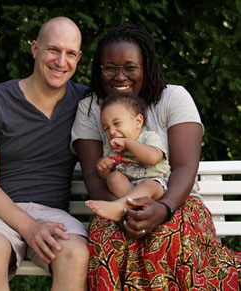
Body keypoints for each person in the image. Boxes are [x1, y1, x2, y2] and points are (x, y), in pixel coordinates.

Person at [71, 24, 241, 290]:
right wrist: (126, 212)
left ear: (146, 66)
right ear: (98, 69)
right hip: (114, 204)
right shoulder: (91, 107)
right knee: (109, 245)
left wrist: (163, 209)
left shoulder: (174, 98)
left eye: (130, 67)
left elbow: (184, 166)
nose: (120, 76)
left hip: (175, 202)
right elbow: (94, 174)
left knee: (167, 237)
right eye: (110, 68)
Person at [0, 17, 89, 291]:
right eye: (53, 50)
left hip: (54, 215)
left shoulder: (86, 103)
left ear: (78, 57)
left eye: (70, 54)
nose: (61, 61)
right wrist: (29, 227)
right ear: (34, 49)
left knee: (76, 255)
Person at [85, 92, 170, 222]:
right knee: (113, 178)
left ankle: (120, 207)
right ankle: (133, 209)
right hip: (129, 190)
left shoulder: (148, 137)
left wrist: (128, 143)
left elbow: (153, 158)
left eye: (117, 124)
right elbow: (107, 177)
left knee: (149, 184)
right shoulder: (111, 147)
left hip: (157, 186)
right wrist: (104, 168)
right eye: (106, 128)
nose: (112, 131)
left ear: (138, 121)